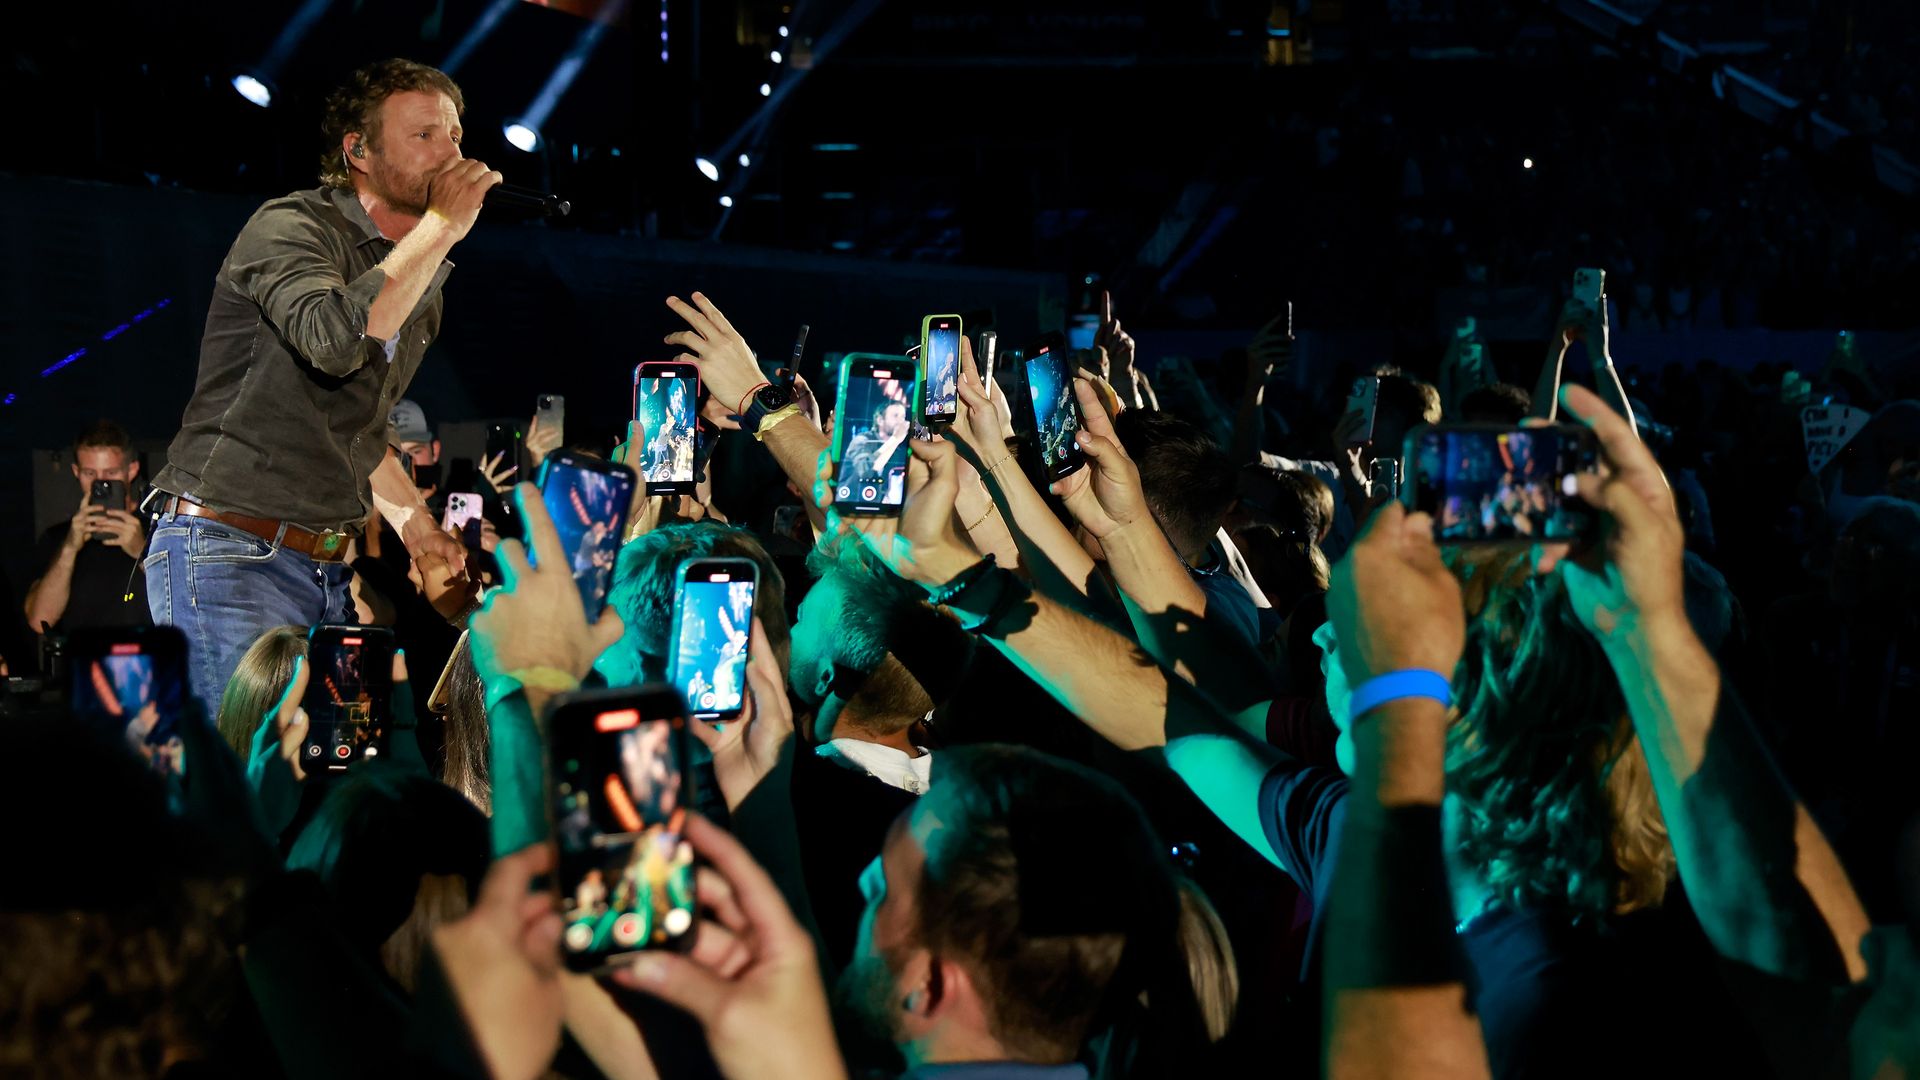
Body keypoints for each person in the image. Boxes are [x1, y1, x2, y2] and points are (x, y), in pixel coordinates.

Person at [144, 58, 493, 717]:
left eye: (454, 134)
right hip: (229, 554)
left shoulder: (421, 280)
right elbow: (334, 342)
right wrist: (442, 226)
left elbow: (360, 432)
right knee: (249, 786)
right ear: (358, 151)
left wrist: (420, 534)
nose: (451, 153)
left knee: (331, 784)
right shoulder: (290, 228)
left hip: (325, 567)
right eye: (424, 135)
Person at [24, 420, 152, 636]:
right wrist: (70, 548)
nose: (100, 482)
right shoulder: (58, 538)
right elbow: (39, 621)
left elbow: (189, 607)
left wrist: (144, 552)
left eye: (111, 473)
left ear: (132, 470)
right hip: (83, 665)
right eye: (90, 474)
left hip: (149, 664)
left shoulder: (160, 530)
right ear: (76, 471)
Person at [389, 398, 444, 506]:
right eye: (396, 455)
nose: (406, 462)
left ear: (435, 451)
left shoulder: (451, 514)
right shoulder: (363, 514)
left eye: (416, 451)